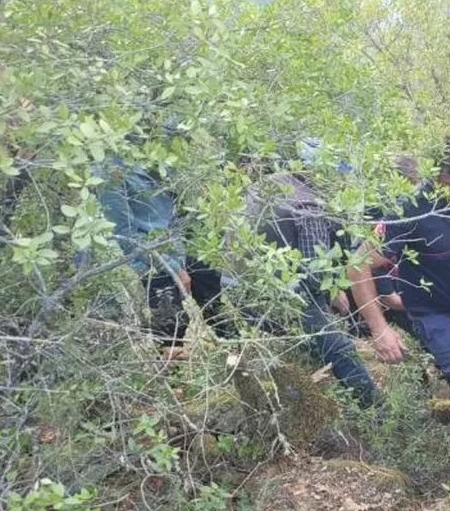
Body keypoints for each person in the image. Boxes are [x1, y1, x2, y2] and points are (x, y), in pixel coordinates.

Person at [350, 137, 450, 467]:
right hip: (437, 315)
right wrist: (379, 329)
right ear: (436, 175)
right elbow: (357, 265)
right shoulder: (408, 209)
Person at [245, 166, 380, 406]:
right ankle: (376, 408)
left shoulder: (267, 184)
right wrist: (332, 291)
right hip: (284, 292)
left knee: (306, 344)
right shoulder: (309, 206)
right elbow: (316, 274)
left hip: (239, 287)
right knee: (339, 347)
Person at [95, 156, 232, 351]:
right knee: (170, 330)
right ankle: (172, 369)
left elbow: (179, 210)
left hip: (182, 246)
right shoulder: (107, 171)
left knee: (218, 308)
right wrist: (173, 267)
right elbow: (126, 237)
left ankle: (238, 357)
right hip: (151, 260)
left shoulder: (157, 156)